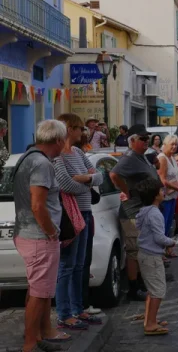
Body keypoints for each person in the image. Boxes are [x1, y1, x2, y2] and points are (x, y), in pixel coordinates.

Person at [13, 120, 70, 352]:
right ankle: (29, 344)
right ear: (57, 140)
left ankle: (38, 336)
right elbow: (38, 205)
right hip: (38, 236)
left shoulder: (27, 157)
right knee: (38, 292)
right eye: (64, 140)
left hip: (29, 233)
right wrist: (51, 231)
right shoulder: (41, 163)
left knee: (40, 288)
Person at [54, 114, 104, 329]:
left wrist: (83, 178)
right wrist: (87, 180)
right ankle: (64, 314)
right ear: (69, 129)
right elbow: (65, 185)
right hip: (69, 216)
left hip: (85, 212)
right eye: (79, 128)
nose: (82, 132)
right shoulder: (58, 157)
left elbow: (100, 176)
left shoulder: (77, 153)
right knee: (67, 265)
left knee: (80, 264)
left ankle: (77, 308)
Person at [109, 124, 158, 301]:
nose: (147, 142)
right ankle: (133, 288)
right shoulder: (129, 157)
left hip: (143, 210)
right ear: (132, 140)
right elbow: (114, 175)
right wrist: (127, 192)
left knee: (141, 250)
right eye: (143, 139)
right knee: (133, 251)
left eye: (148, 138)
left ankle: (141, 282)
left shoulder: (141, 157)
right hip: (132, 212)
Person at [135, 178, 176, 336]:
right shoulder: (155, 214)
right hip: (151, 256)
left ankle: (150, 319)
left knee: (152, 290)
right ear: (154, 195)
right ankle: (150, 324)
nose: (163, 192)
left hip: (145, 254)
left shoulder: (144, 211)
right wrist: (171, 242)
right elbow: (160, 238)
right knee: (158, 290)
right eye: (161, 191)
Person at [157, 135, 178, 243]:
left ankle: (167, 249)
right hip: (165, 197)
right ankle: (162, 250)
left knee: (168, 224)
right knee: (164, 223)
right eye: (172, 144)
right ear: (165, 144)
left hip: (173, 196)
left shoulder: (171, 157)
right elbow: (162, 180)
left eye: (176, 144)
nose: (174, 146)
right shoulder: (162, 158)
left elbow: (177, 176)